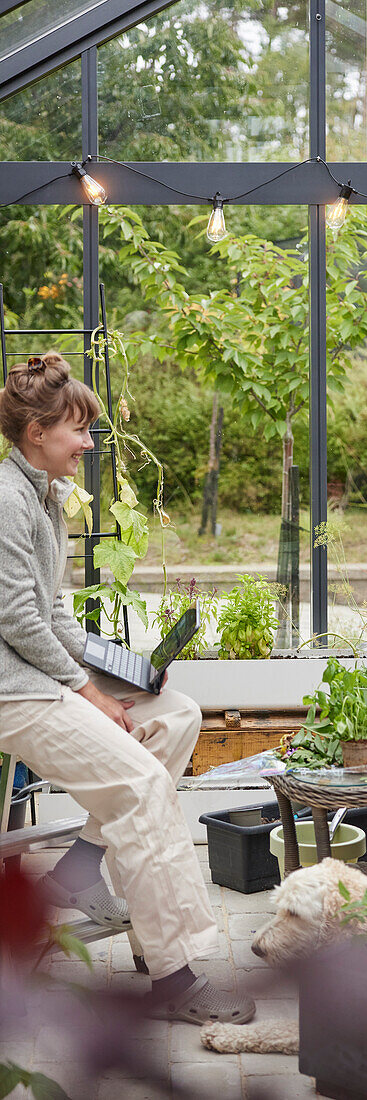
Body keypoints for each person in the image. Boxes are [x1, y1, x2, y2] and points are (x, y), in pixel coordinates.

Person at [0, 353, 254, 1024]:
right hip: (12, 694)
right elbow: (17, 621)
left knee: (175, 713)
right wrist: (92, 696)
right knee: (141, 784)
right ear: (36, 433)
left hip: (40, 676)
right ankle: (175, 978)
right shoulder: (5, 498)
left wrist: (126, 672)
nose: (88, 443)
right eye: (78, 430)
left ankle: (83, 862)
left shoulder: (44, 498)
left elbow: (54, 618)